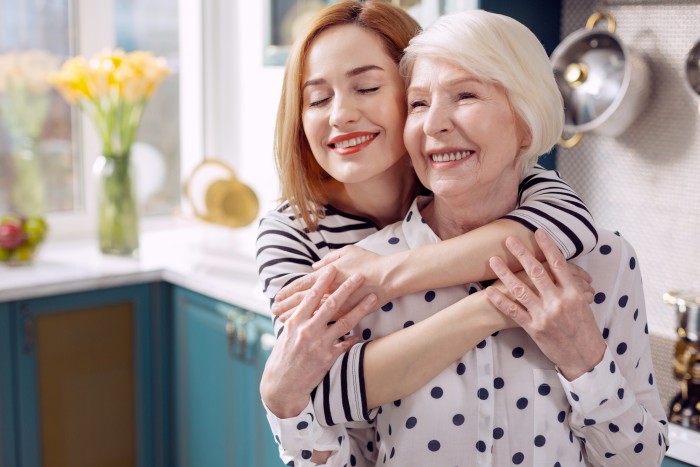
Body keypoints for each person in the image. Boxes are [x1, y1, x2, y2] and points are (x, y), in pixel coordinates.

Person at [290, 8, 669, 465]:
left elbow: (640, 459)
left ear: (527, 121)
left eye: (465, 95)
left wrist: (583, 357)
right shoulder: (359, 275)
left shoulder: (604, 261)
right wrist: (285, 404)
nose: (434, 125)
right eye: (418, 104)